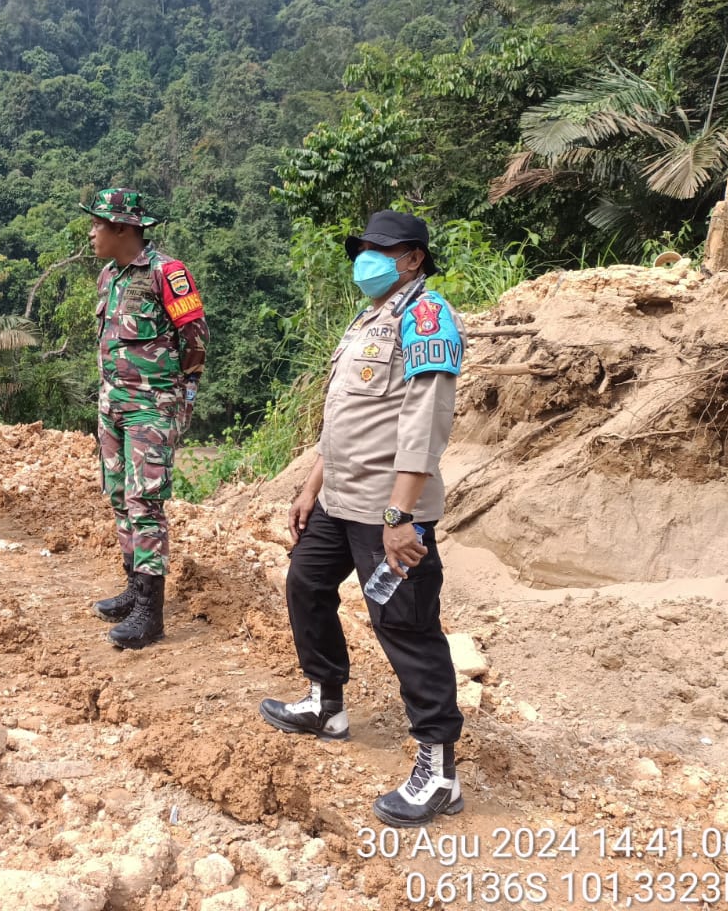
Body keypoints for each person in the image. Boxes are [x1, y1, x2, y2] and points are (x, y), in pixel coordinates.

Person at [258, 209, 466, 827]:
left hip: (388, 512)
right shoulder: (369, 318)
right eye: (362, 248)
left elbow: (424, 426)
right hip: (338, 499)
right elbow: (345, 419)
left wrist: (402, 515)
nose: (363, 259)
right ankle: (326, 702)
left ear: (411, 259)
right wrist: (310, 486)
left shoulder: (427, 317)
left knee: (405, 626)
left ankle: (440, 773)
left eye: (377, 249)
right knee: (306, 584)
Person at [81, 188, 208, 650]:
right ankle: (134, 588)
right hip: (112, 403)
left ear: (123, 228)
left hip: (152, 406)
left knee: (144, 501)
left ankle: (150, 613)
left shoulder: (167, 274)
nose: (92, 232)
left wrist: (182, 398)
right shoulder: (109, 277)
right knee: (117, 494)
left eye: (98, 224)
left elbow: (195, 339)